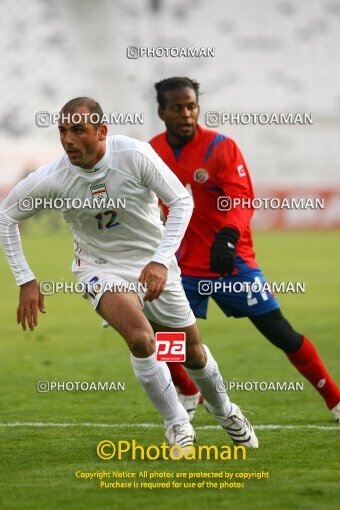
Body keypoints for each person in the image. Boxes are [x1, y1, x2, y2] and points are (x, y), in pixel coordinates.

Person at [0, 97, 259, 454]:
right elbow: (6, 216)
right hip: (100, 268)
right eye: (63, 131)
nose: (68, 139)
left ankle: (226, 411)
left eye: (78, 130)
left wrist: (159, 260)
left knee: (190, 352)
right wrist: (26, 279)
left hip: (155, 263)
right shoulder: (53, 177)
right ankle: (177, 424)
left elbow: (182, 202)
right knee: (141, 338)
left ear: (102, 131)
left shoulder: (133, 155)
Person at [150, 77, 340, 423]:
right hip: (181, 266)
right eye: (177, 108)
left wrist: (228, 235)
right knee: (160, 337)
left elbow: (241, 198)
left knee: (280, 332)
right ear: (161, 111)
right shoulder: (152, 152)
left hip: (230, 262)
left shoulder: (221, 148)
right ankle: (189, 392)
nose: (187, 114)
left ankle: (335, 399)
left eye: (191, 106)